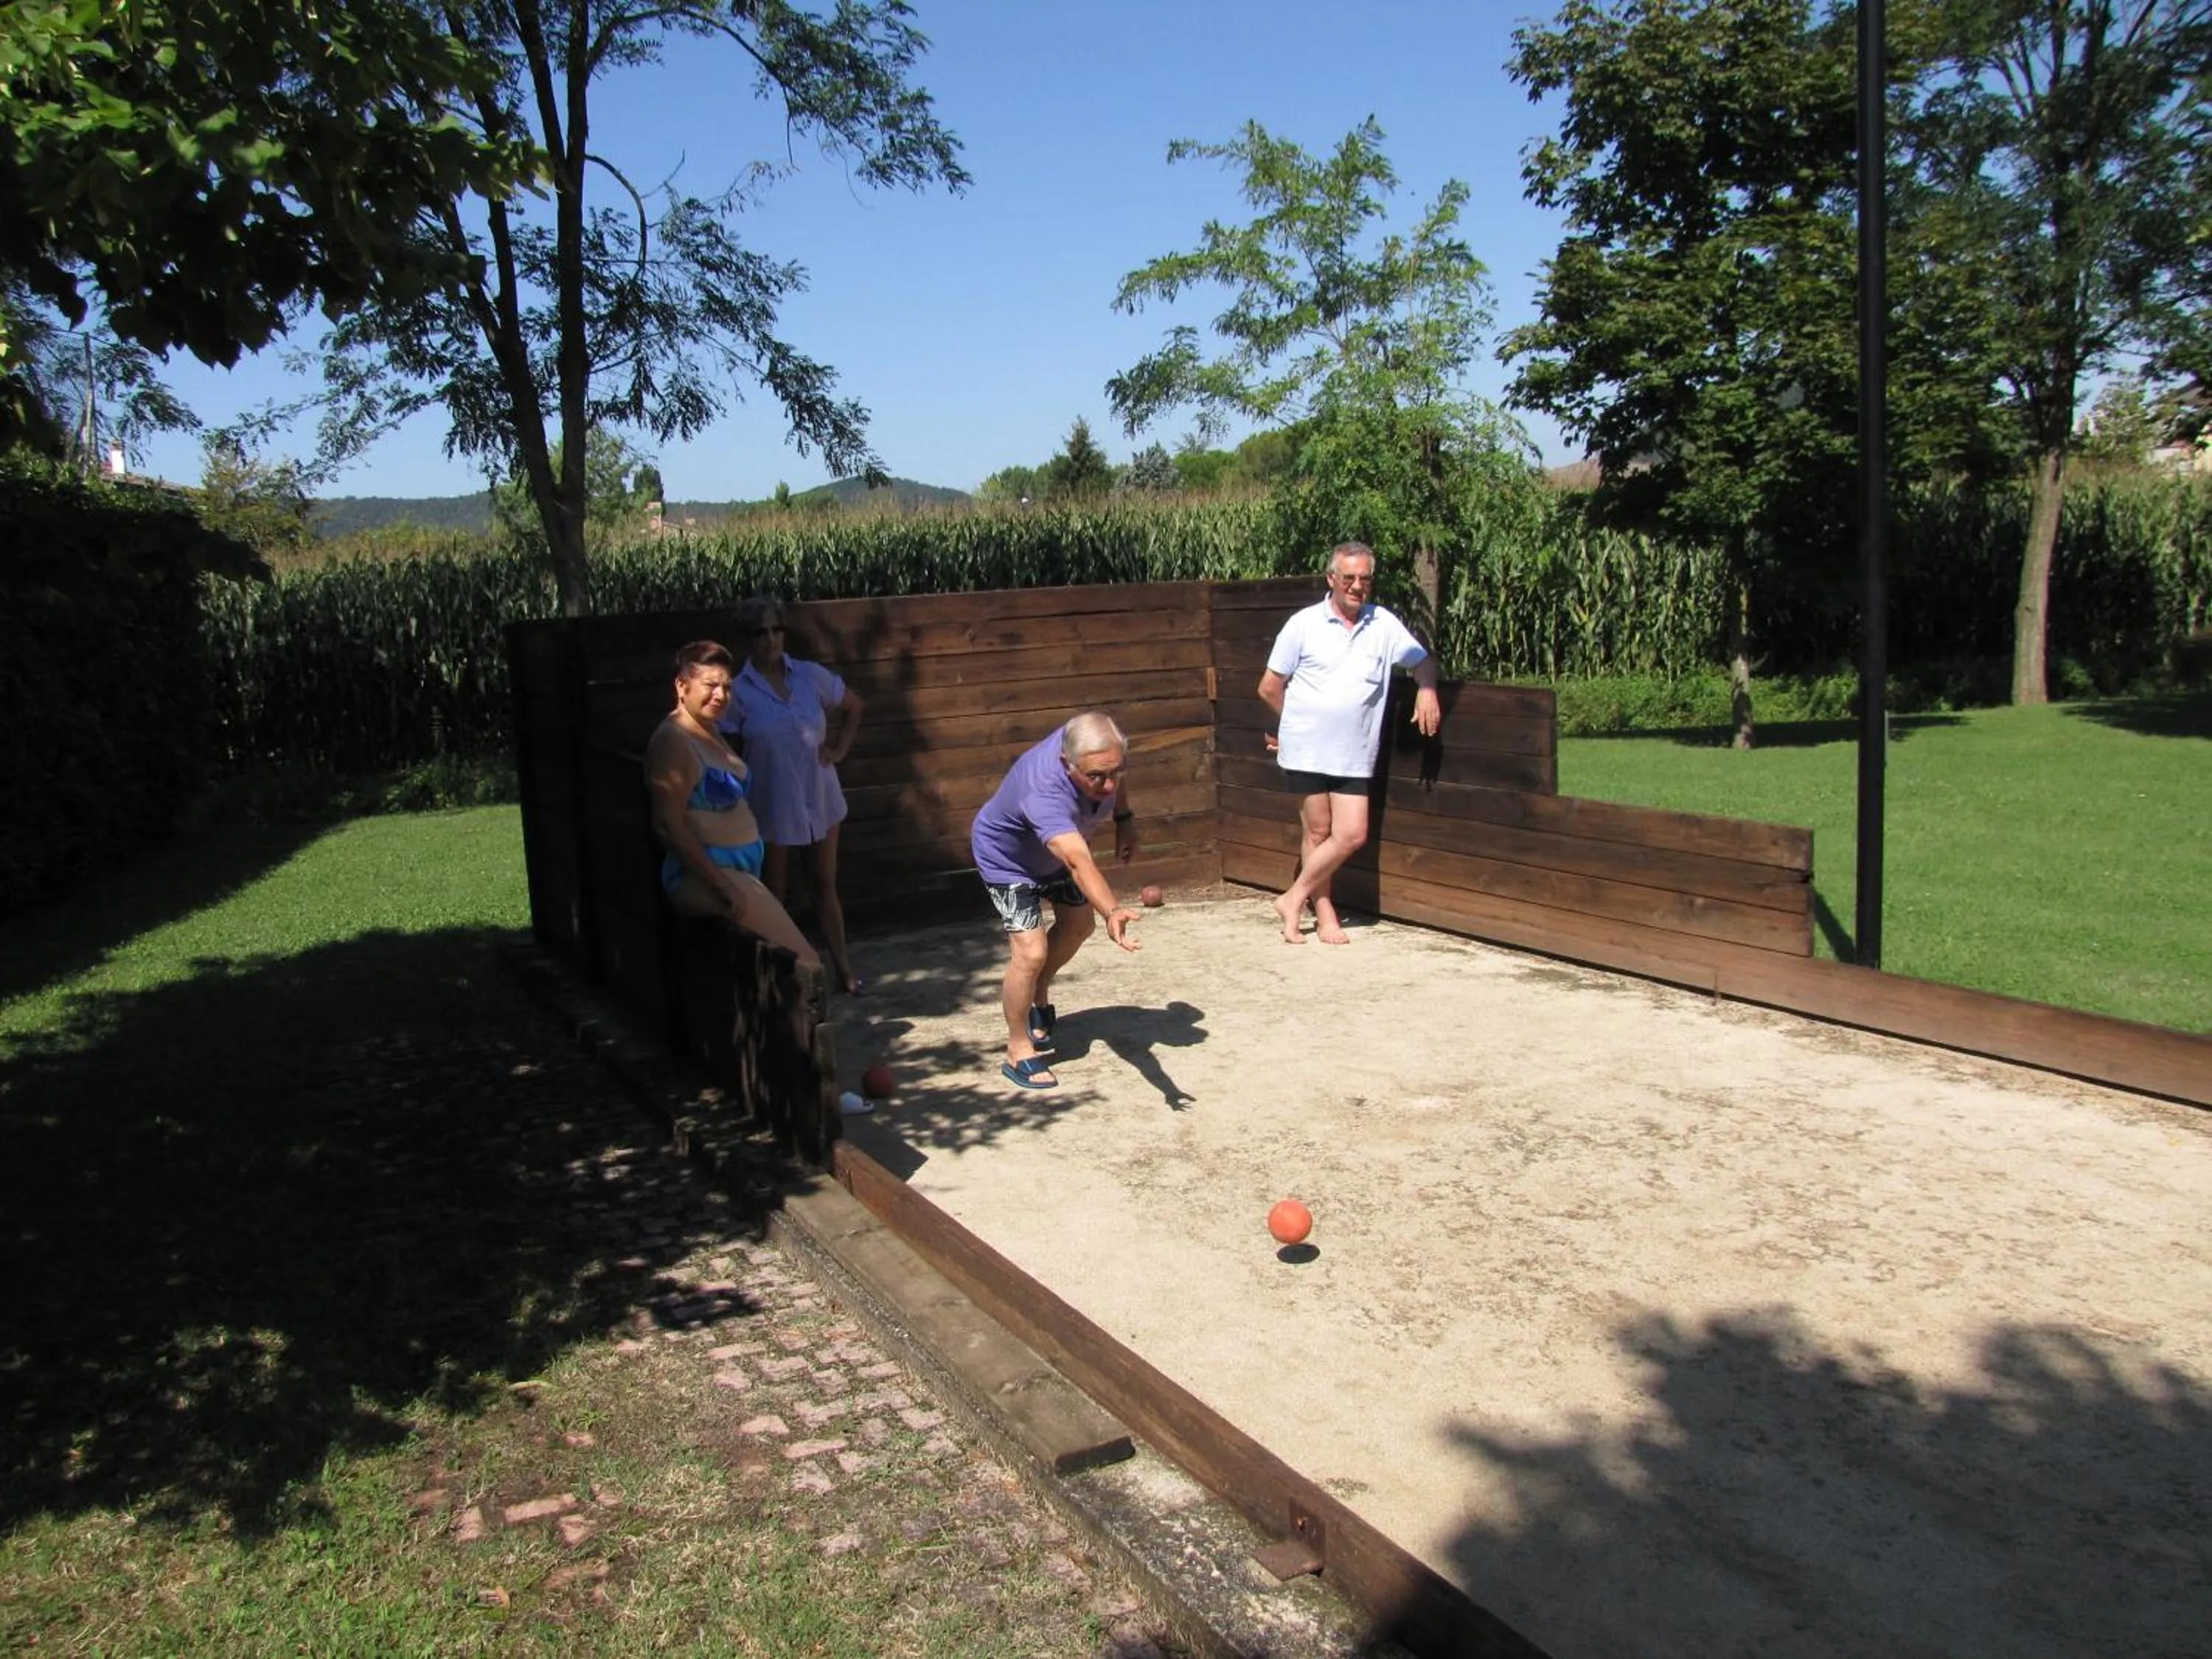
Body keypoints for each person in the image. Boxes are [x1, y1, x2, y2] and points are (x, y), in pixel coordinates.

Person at [1256, 542, 1441, 945]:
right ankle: (1324, 916)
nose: (1357, 586)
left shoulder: (1383, 624)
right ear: (1332, 579)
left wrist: (1427, 689)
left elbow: (1422, 660)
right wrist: (1293, 725)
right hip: (1305, 750)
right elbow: (1269, 687)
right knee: (1317, 833)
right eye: (1349, 578)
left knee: (1352, 834)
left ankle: (1292, 898)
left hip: (1355, 752)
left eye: (1365, 579)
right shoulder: (1303, 624)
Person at [970, 710, 1142, 1089]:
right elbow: (1079, 862)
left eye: (1114, 772)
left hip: (1055, 853)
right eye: (1095, 776)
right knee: (1030, 953)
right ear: (1067, 764)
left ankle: (1038, 991)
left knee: (1079, 925)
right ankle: (1018, 1049)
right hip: (1009, 862)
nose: (1108, 785)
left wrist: (1125, 818)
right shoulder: (1043, 791)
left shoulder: (1095, 748)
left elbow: (1112, 772)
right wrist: (1112, 909)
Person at [644, 639, 823, 977]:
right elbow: (667, 825)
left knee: (772, 967)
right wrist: (722, 886)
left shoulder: (709, 730)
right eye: (710, 685)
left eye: (727, 687)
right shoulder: (673, 741)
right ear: (682, 685)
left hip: (737, 874)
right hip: (707, 877)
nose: (721, 695)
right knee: (806, 963)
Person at [720, 594, 866, 994]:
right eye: (760, 632)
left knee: (824, 884)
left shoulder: (808, 676)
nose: (771, 639)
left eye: (777, 629)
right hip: (773, 800)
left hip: (820, 793)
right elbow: (726, 745)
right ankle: (781, 980)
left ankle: (844, 969)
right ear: (747, 639)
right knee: (774, 894)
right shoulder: (738, 693)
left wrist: (839, 749)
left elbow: (854, 706)